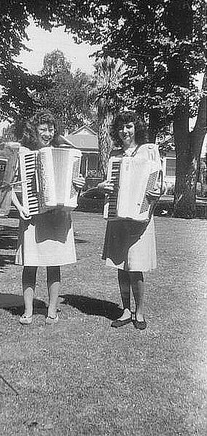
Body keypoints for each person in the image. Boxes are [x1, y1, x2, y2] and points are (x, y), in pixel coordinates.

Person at [12, 110, 85, 325]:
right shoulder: (23, 152)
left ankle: (51, 310)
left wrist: (78, 184)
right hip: (32, 216)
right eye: (43, 129)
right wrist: (19, 207)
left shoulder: (65, 151)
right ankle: (28, 310)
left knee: (55, 264)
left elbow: (74, 183)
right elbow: (10, 187)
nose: (47, 133)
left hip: (57, 216)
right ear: (33, 130)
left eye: (50, 129)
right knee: (30, 264)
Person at [98, 111, 164, 330]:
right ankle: (126, 310)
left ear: (136, 128)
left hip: (141, 218)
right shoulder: (115, 156)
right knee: (121, 265)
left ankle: (140, 311)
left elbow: (159, 182)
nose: (125, 131)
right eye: (121, 128)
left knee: (136, 266)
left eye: (129, 126)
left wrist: (158, 191)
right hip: (118, 217)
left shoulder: (148, 152)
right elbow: (108, 183)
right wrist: (103, 187)